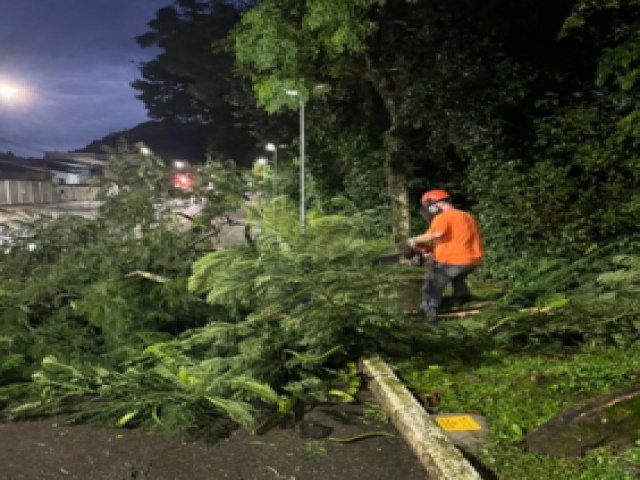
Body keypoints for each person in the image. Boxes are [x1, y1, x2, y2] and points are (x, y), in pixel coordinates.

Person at [407, 189, 483, 322]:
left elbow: (435, 234)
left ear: (433, 205)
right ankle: (462, 298)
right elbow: (455, 241)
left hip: (453, 260)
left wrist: (414, 240)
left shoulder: (443, 217)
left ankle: (428, 313)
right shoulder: (466, 216)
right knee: (457, 278)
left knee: (432, 282)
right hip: (471, 260)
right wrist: (428, 250)